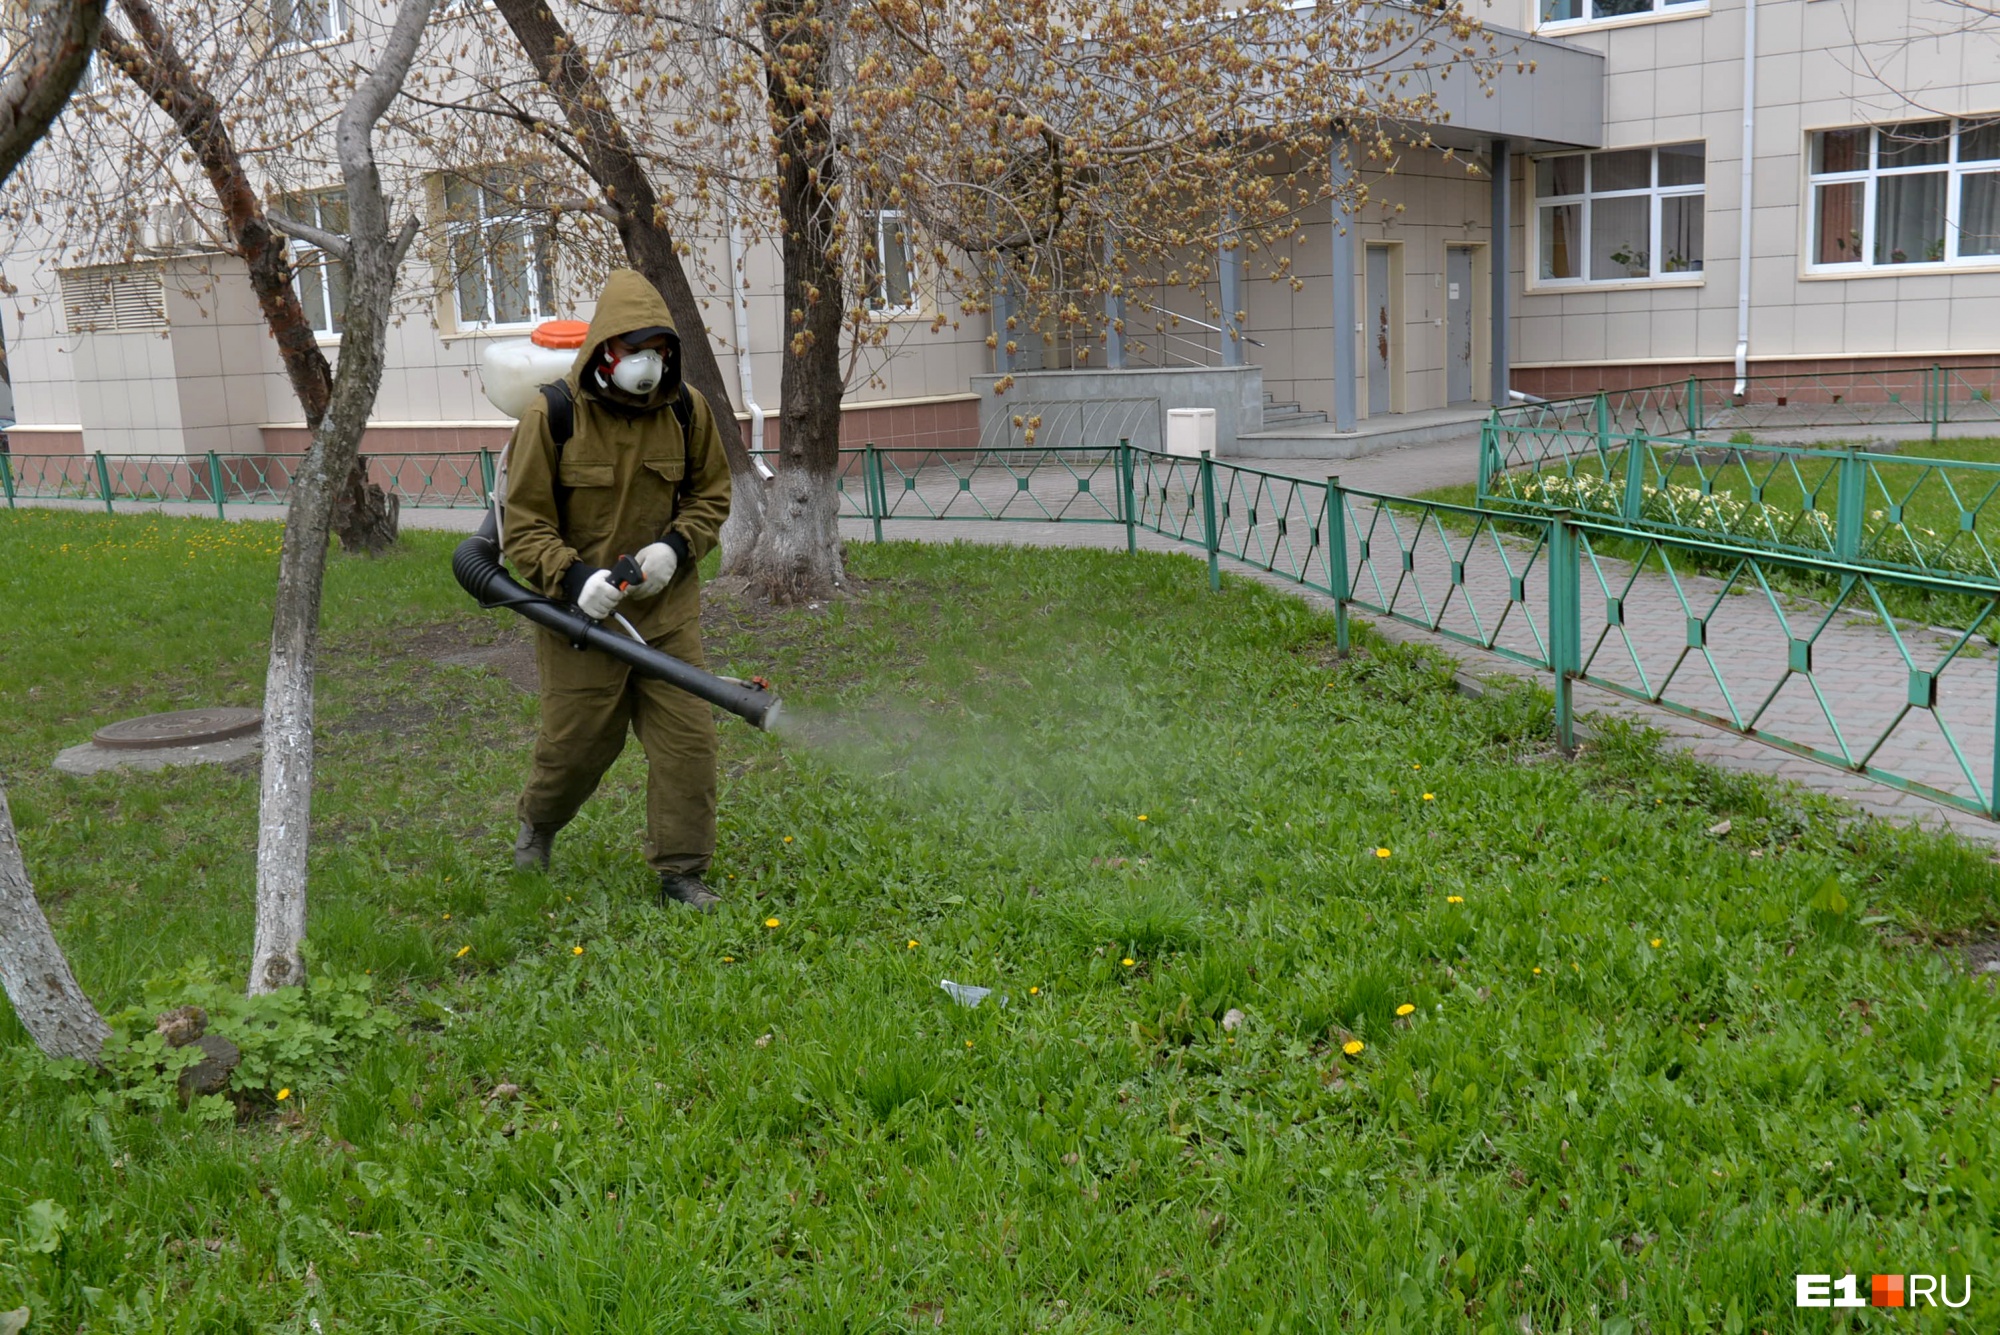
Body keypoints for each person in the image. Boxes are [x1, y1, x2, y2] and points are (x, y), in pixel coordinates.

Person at [498, 269, 732, 910]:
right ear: (605, 350)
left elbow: (712, 494)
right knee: (577, 749)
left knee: (689, 745)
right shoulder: (553, 414)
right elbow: (522, 524)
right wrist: (575, 579)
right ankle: (538, 826)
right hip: (581, 626)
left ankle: (681, 873)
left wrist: (677, 547)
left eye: (659, 353)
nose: (649, 367)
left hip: (666, 616)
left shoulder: (688, 409)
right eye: (636, 352)